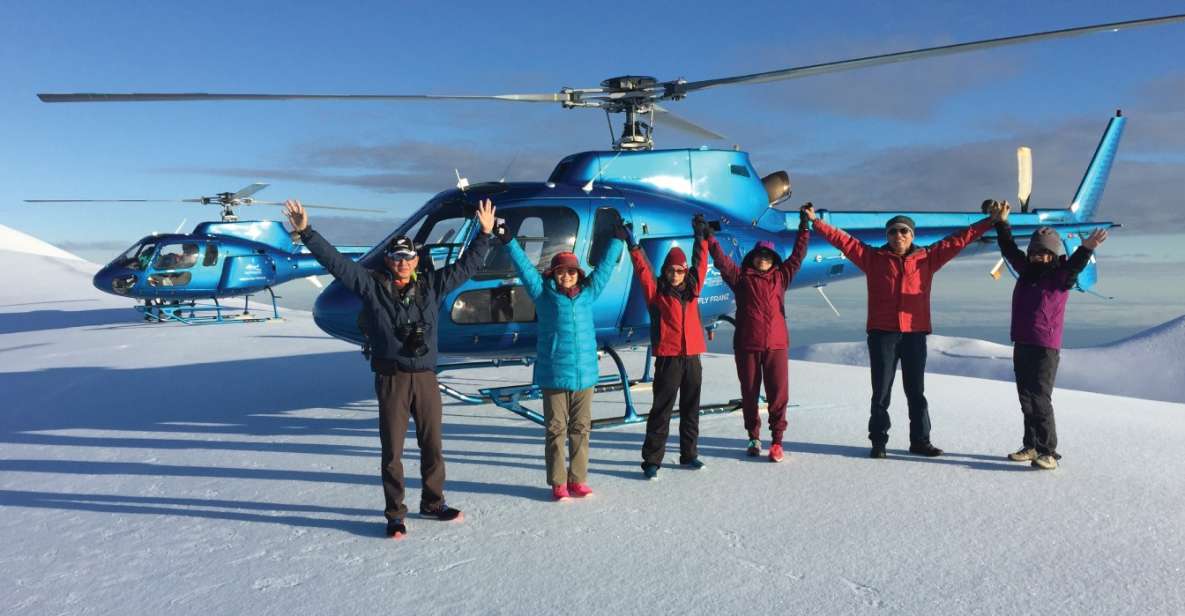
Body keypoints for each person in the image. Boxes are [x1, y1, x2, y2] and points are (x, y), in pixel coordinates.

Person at [284, 198, 495, 539]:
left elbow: (467, 267)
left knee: (432, 444)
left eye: (408, 257)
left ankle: (433, 501)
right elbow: (337, 264)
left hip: (425, 377)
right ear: (389, 260)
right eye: (397, 257)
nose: (403, 263)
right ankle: (395, 514)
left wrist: (484, 233)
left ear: (416, 260)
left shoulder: (431, 286)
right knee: (392, 451)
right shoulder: (371, 287)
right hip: (392, 378)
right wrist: (306, 232)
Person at [804, 203, 993, 459]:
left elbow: (958, 240)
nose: (898, 236)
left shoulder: (927, 258)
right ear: (887, 236)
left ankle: (920, 441)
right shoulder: (873, 259)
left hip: (914, 334)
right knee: (881, 391)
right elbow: (843, 241)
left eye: (904, 231)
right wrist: (816, 222)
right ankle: (878, 442)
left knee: (916, 391)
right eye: (893, 232)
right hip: (883, 334)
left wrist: (989, 221)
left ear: (912, 235)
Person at [498, 212, 625, 501]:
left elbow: (604, 269)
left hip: (585, 375)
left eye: (571, 272)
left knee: (581, 428)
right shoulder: (544, 295)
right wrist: (507, 238)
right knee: (556, 429)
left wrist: (617, 240)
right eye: (560, 272)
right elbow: (524, 267)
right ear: (553, 274)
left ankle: (578, 479)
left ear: (578, 274)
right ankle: (558, 482)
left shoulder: (588, 294)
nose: (566, 276)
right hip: (554, 372)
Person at [991, 200, 1107, 470]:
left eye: (1044, 253)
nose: (1038, 257)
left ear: (1053, 255)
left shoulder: (1060, 277)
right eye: (1034, 253)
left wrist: (1086, 247)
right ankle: (1031, 446)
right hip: (1022, 342)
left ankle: (1048, 452)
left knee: (1040, 398)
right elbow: (1008, 249)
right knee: (1025, 397)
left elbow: (1075, 266)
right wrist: (1002, 223)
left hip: (1045, 346)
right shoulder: (1025, 271)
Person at [706, 208, 810, 462]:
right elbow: (721, 260)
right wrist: (709, 238)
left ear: (774, 259)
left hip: (776, 345)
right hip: (747, 344)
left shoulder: (782, 277)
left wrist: (805, 227)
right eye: (759, 255)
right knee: (749, 393)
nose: (763, 259)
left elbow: (798, 256)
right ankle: (753, 437)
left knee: (778, 395)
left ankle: (777, 441)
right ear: (752, 258)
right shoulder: (740, 279)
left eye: (767, 256)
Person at [626, 216, 709, 479]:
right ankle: (652, 460)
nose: (675, 275)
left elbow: (701, 263)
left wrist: (700, 238)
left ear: (685, 272)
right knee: (661, 411)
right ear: (665, 271)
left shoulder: (693, 290)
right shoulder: (656, 293)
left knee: (690, 408)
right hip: (668, 359)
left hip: (692, 357)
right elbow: (643, 271)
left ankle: (689, 454)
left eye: (680, 271)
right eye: (671, 270)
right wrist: (633, 245)